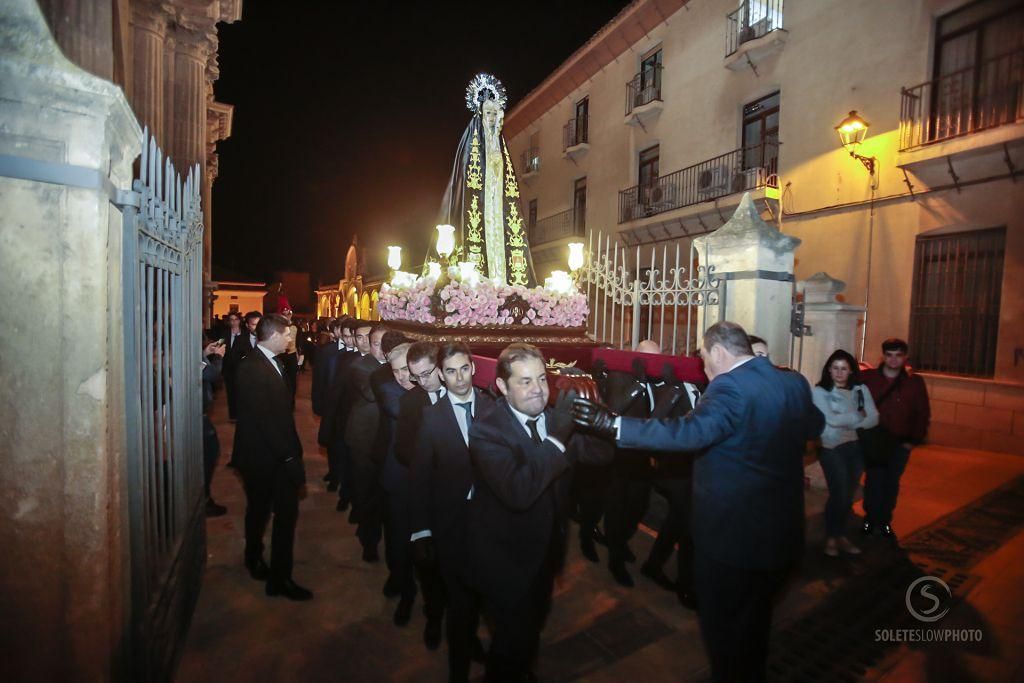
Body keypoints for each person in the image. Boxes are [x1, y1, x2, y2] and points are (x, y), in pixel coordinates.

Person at [573, 322, 824, 683]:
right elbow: (814, 426)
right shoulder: (792, 383)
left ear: (719, 352)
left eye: (705, 357)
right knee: (755, 626)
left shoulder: (729, 388)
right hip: (781, 536)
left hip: (732, 542)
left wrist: (613, 425)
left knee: (724, 632)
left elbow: (689, 432)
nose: (704, 367)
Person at [468, 343, 608, 682]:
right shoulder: (487, 430)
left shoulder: (552, 417)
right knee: (508, 640)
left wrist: (598, 412)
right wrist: (559, 436)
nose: (538, 390)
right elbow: (519, 492)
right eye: (525, 382)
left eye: (542, 379)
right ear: (502, 386)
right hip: (505, 560)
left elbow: (600, 457)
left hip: (546, 553)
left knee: (531, 629)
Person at [410, 343, 493, 682]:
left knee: (487, 597)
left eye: (464, 369)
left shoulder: (493, 408)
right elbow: (420, 478)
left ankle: (481, 644)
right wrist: (421, 530)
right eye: (451, 371)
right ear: (442, 375)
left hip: (490, 526)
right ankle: (458, 667)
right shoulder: (431, 418)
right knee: (458, 603)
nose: (459, 378)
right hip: (451, 526)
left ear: (473, 369)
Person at [231, 313, 311, 601]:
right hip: (264, 458)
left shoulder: (270, 361)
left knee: (266, 511)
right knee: (270, 513)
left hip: (271, 455)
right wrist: (290, 460)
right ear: (275, 335)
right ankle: (276, 575)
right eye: (287, 334)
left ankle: (264, 565)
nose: (291, 338)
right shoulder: (253, 368)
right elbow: (267, 422)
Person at [430, 73, 536, 287]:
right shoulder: (470, 143)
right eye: (488, 113)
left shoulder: (500, 145)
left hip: (497, 209)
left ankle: (504, 282)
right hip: (479, 207)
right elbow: (465, 180)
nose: (492, 118)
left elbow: (507, 183)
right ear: (480, 113)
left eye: (496, 113)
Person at [396, 341, 448, 651]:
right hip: (427, 494)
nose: (420, 382)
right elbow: (402, 450)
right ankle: (433, 616)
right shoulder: (411, 403)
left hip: (459, 497)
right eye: (416, 377)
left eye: (426, 374)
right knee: (429, 565)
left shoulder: (460, 394)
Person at [860, 338, 930, 540]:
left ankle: (884, 521)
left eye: (898, 355)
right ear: (883, 356)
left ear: (904, 357)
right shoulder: (870, 378)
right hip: (875, 440)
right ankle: (870, 519)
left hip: (900, 442)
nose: (893, 360)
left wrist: (913, 441)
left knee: (891, 483)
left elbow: (922, 412)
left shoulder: (914, 382)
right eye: (889, 355)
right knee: (874, 480)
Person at [812, 349, 878, 557]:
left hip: (855, 447)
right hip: (831, 447)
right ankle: (831, 537)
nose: (839, 372)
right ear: (828, 370)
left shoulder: (860, 390)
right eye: (835, 368)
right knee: (839, 492)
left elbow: (874, 418)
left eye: (844, 368)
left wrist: (849, 417)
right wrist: (858, 416)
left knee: (848, 494)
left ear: (851, 371)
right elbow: (831, 419)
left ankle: (841, 535)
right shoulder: (820, 391)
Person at [344, 323, 388, 561]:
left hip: (387, 439)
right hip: (365, 438)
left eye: (385, 344)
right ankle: (368, 542)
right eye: (376, 344)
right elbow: (373, 393)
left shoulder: (395, 366)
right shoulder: (360, 366)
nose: (381, 349)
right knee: (367, 492)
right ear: (369, 346)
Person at [201, 336, 227, 517]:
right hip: (196, 416)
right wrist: (218, 357)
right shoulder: (178, 352)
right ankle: (202, 499)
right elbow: (213, 376)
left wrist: (204, 354)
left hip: (199, 414)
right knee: (209, 454)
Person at [221, 311, 248, 421]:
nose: (234, 322)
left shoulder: (245, 334)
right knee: (230, 391)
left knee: (241, 392)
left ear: (239, 320)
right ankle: (233, 415)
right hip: (228, 368)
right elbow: (220, 345)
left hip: (241, 368)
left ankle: (242, 414)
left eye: (236, 319)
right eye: (231, 320)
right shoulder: (225, 333)